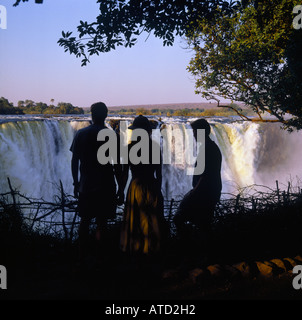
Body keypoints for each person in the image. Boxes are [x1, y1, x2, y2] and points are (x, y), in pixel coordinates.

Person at [70, 102, 123, 267]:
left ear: (91, 114)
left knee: (84, 221)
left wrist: (76, 182)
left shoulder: (80, 134)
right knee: (102, 223)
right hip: (106, 185)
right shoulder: (111, 135)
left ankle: (81, 255)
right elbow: (117, 165)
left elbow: (74, 161)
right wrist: (121, 188)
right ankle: (100, 257)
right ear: (106, 115)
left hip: (86, 184)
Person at [120, 115, 167, 258]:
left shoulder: (128, 148)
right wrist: (158, 192)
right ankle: (152, 252)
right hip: (151, 185)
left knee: (134, 220)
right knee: (151, 220)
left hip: (135, 187)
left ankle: (135, 251)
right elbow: (159, 174)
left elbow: (124, 174)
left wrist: (120, 191)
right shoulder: (154, 148)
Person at [173, 118, 222, 252]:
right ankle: (203, 252)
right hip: (210, 191)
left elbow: (205, 175)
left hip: (203, 193)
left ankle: (190, 248)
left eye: (194, 132)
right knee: (203, 224)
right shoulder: (210, 147)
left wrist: (193, 193)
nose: (193, 135)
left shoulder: (207, 149)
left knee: (179, 218)